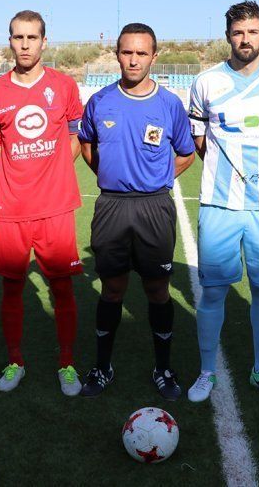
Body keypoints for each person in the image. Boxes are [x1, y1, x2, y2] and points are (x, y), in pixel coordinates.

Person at [187, 1, 259, 403]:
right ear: (228, 36)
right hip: (219, 203)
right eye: (238, 32)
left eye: (252, 31)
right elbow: (200, 140)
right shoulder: (206, 83)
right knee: (214, 291)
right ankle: (206, 372)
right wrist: (230, 173)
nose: (245, 39)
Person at [77, 23, 195, 400]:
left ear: (154, 57)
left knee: (157, 289)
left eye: (141, 53)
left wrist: (156, 176)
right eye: (127, 52)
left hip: (154, 207)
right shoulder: (100, 101)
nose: (133, 59)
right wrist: (112, 175)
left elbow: (187, 153)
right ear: (117, 54)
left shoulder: (169, 104)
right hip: (111, 205)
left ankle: (163, 368)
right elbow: (87, 146)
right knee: (112, 288)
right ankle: (102, 366)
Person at [0, 10, 85, 396]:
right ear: (10, 41)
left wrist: (54, 169)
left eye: (32, 37)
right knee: (11, 287)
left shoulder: (64, 86)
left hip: (55, 207)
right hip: (10, 210)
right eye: (18, 37)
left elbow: (76, 134)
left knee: (61, 288)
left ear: (44, 41)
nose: (25, 44)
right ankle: (15, 362)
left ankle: (67, 364)